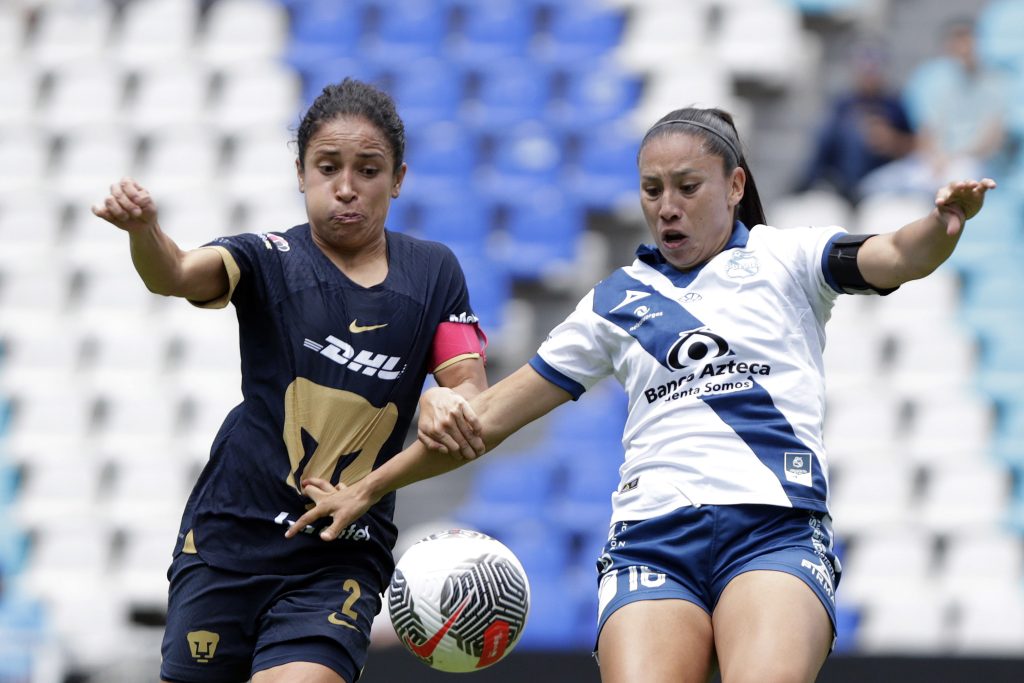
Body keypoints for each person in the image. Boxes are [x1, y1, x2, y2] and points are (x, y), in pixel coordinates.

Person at [285, 106, 997, 682]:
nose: (668, 207)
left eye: (688, 187)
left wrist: (939, 226)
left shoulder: (788, 258)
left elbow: (894, 254)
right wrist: (368, 489)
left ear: (737, 186)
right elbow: (487, 420)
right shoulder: (613, 302)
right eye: (652, 190)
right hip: (653, 545)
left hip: (774, 531)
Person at [91, 78, 489, 683]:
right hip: (228, 537)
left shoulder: (434, 272)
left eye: (369, 170)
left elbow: (470, 389)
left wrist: (446, 401)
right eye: (328, 167)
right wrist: (143, 230)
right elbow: (173, 273)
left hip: (340, 552)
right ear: (300, 173)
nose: (347, 188)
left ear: (399, 179)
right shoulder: (265, 257)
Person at [858, 17, 1009, 199]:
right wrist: (935, 158)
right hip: (935, 161)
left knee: (958, 182)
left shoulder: (995, 84)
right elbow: (927, 131)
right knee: (874, 186)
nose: (964, 47)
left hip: (971, 161)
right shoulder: (934, 80)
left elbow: (991, 139)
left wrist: (953, 157)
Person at [791, 40, 915, 205]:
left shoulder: (894, 104)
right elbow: (826, 142)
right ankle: (814, 184)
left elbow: (915, 147)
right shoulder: (843, 102)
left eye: (873, 69)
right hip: (842, 168)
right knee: (841, 131)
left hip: (881, 169)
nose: (868, 75)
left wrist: (890, 140)